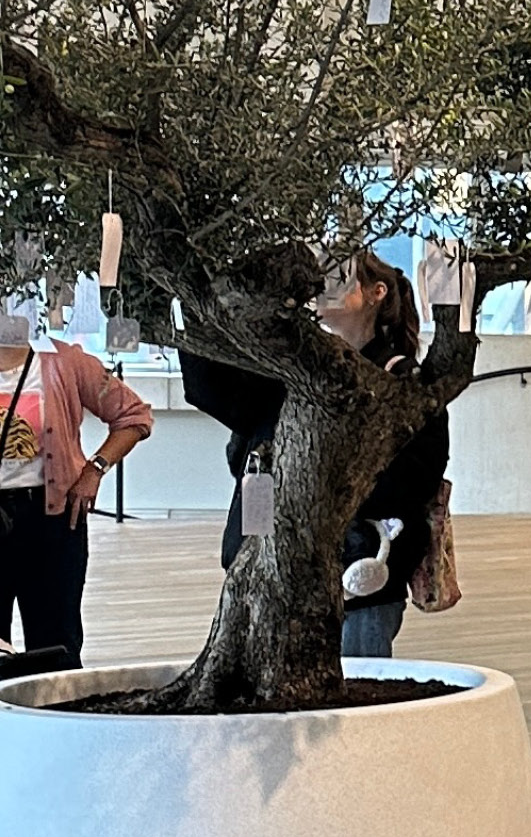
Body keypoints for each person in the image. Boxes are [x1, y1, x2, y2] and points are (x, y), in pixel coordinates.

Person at [178, 250, 449, 656]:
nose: (325, 288)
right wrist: (190, 307)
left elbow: (417, 476)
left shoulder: (400, 380)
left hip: (357, 572)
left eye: (341, 276)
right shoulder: (292, 365)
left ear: (376, 293)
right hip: (270, 562)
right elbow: (218, 395)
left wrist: (324, 487)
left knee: (352, 694)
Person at [0, 321, 153, 661]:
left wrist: (94, 470)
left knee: (55, 641)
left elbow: (134, 416)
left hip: (53, 519)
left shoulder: (63, 361)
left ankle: (57, 712)